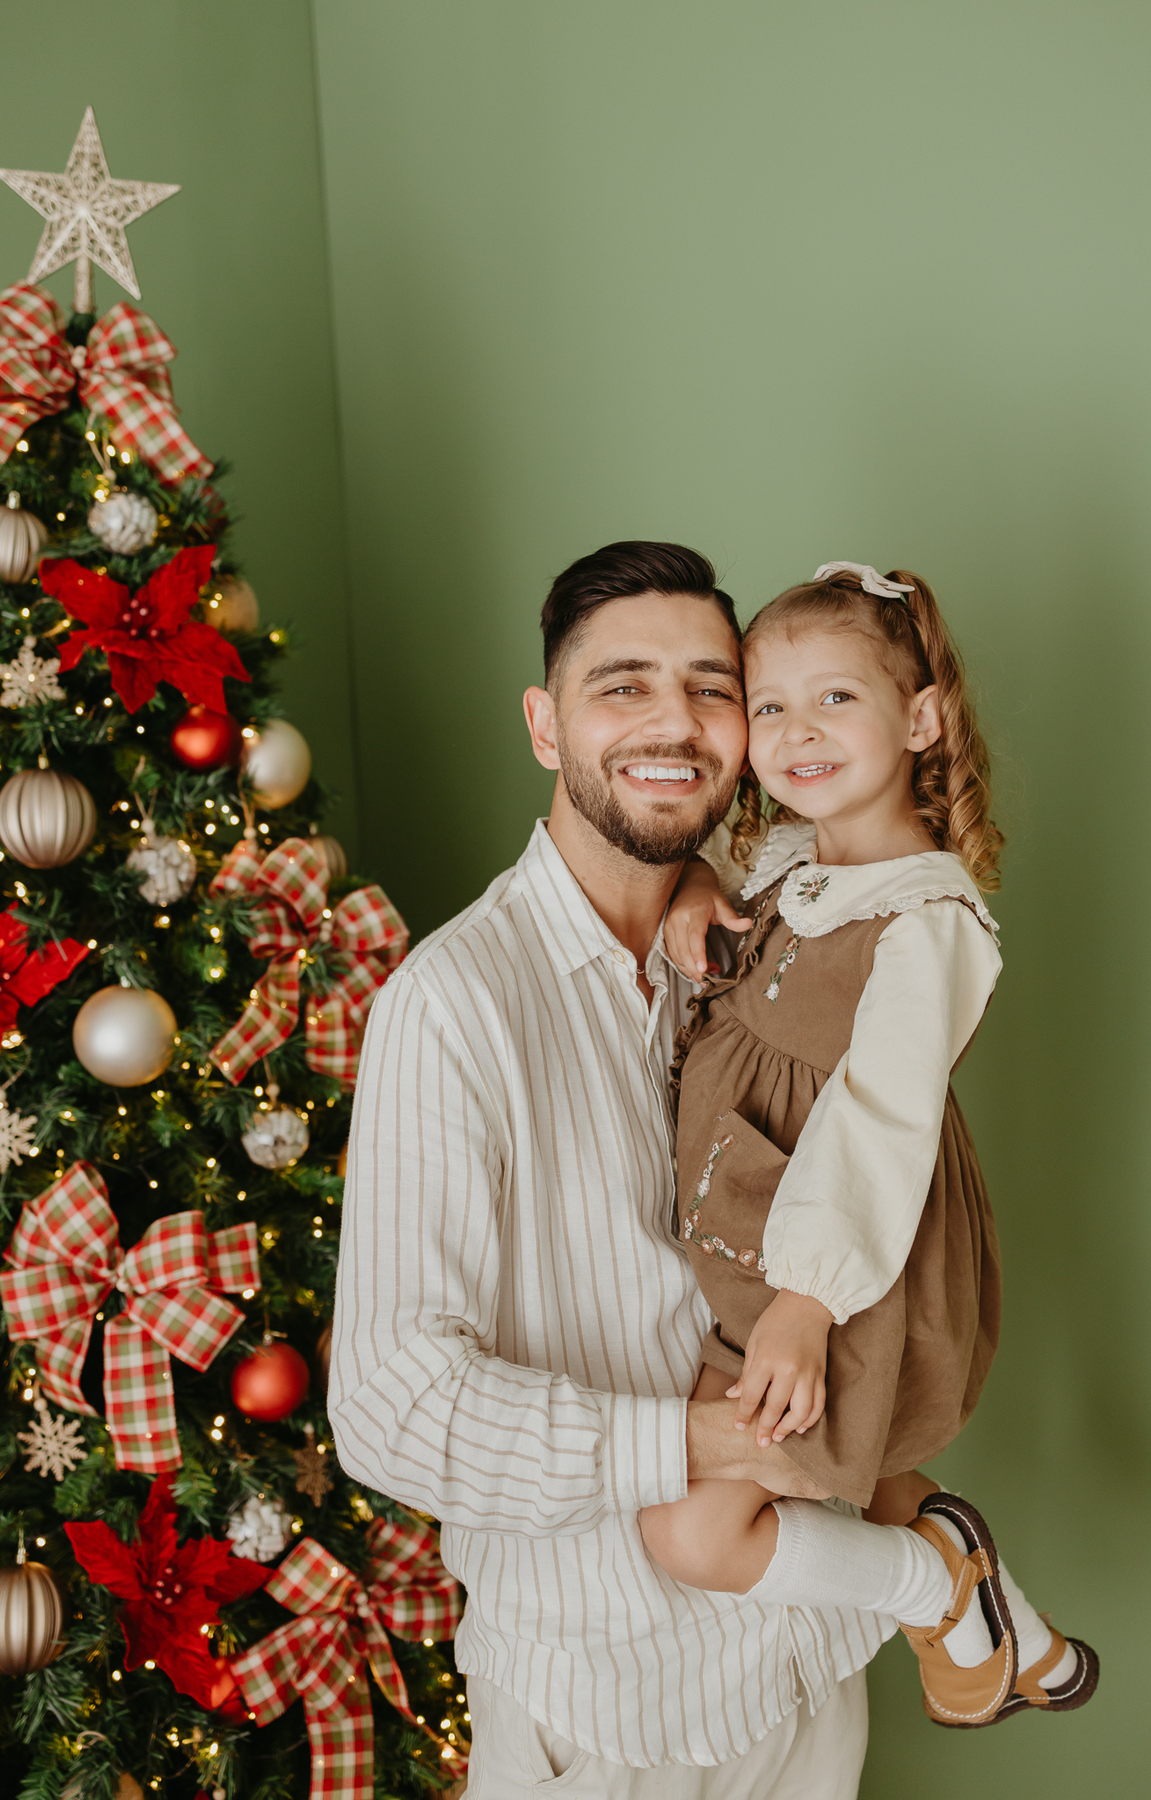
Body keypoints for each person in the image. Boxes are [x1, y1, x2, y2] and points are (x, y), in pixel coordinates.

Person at [329, 543, 884, 1799]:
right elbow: (391, 1406)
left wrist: (707, 888)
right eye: (622, 686)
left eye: (709, 688)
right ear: (546, 726)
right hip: (608, 1704)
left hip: (810, 1654)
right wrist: (702, 1447)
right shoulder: (451, 1005)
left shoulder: (759, 945)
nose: (672, 725)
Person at [639, 561, 1099, 1729]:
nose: (798, 732)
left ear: (922, 717)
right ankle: (1020, 1639)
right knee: (866, 1463)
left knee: (697, 1532)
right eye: (771, 705)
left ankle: (939, 1590)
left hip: (834, 1265)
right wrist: (693, 892)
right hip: (756, 1239)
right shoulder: (795, 865)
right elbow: (733, 920)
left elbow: (883, 1116)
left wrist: (807, 1301)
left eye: (835, 699)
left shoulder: (927, 920)